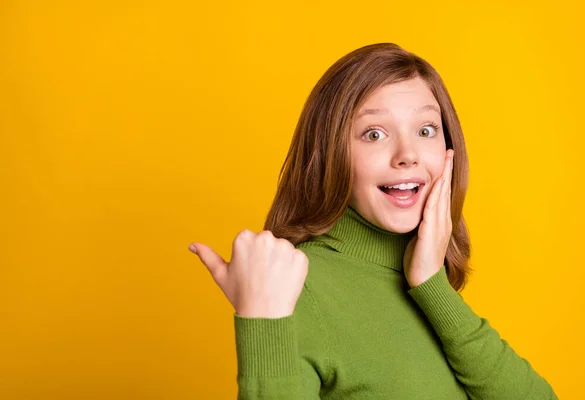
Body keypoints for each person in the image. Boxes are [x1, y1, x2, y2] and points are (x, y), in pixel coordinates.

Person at [188, 43, 558, 399]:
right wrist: (264, 323)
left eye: (426, 130)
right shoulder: (298, 287)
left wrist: (433, 287)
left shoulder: (425, 280)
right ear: (331, 153)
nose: (407, 155)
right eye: (374, 134)